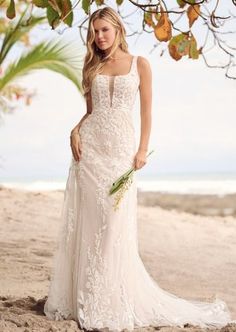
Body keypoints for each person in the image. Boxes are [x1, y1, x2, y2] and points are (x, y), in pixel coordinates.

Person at [44, 6, 235, 331]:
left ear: (118, 30)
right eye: (95, 32)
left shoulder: (140, 65)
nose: (99, 37)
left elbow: (147, 111)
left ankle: (109, 296)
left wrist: (142, 149)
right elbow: (90, 112)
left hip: (120, 153)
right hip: (90, 153)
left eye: (105, 30)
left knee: (113, 225)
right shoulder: (92, 66)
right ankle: (88, 298)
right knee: (92, 226)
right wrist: (74, 129)